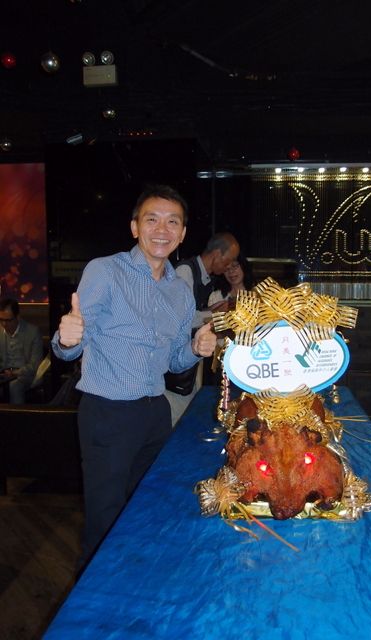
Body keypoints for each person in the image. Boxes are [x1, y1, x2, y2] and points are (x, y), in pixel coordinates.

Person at [51, 183, 217, 568]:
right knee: (104, 519)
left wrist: (194, 349)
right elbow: (70, 346)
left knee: (147, 508)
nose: (162, 229)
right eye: (152, 219)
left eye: (172, 222)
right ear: (134, 227)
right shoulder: (105, 271)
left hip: (155, 412)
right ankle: (95, 597)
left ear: (182, 233)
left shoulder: (180, 291)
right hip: (108, 413)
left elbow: (174, 361)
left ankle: (137, 581)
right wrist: (67, 339)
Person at [165, 232, 239, 422]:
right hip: (176, 368)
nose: (228, 267)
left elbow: (193, 311)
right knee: (179, 420)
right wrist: (216, 315)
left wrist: (211, 311)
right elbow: (181, 320)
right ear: (217, 254)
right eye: (228, 261)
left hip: (190, 364)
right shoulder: (185, 272)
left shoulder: (204, 278)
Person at [0, 297, 43, 404]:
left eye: (8, 320)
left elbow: (35, 365)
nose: (4, 324)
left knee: (14, 387)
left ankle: (17, 414)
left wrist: (15, 373)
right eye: (1, 319)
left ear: (17, 317)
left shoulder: (33, 332)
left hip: (24, 375)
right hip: (3, 374)